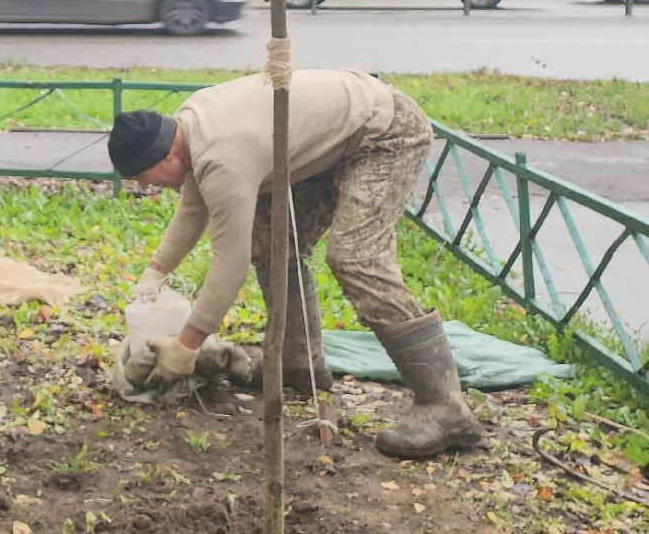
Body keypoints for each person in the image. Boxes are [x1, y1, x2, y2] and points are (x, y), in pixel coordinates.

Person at [106, 69, 483, 459]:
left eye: (142, 177)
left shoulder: (221, 156)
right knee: (272, 244)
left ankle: (444, 405)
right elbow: (193, 206)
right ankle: (298, 365)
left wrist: (187, 345)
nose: (143, 187)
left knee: (356, 258)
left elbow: (228, 266)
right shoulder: (188, 130)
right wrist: (156, 270)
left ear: (166, 155)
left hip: (384, 131)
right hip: (331, 141)